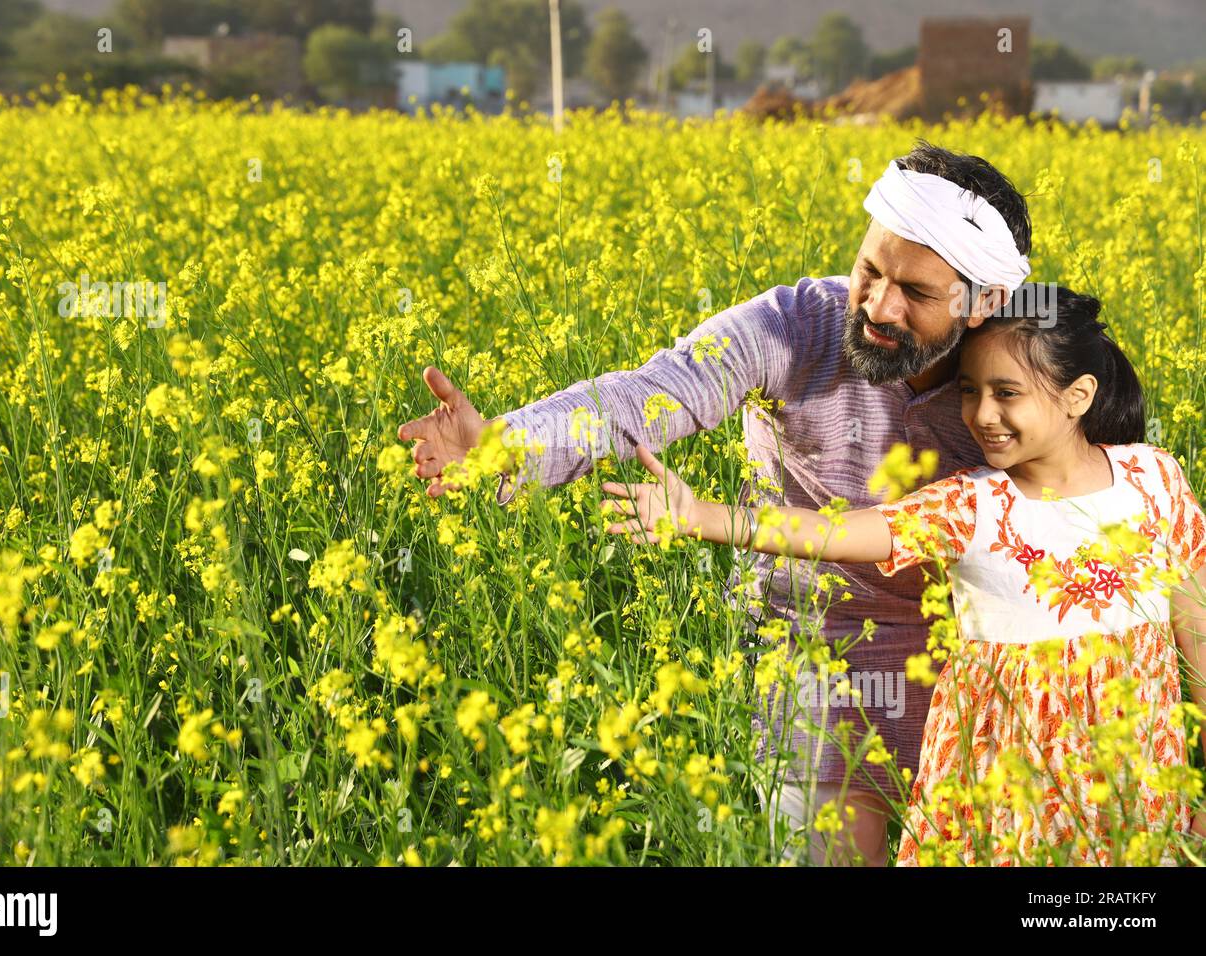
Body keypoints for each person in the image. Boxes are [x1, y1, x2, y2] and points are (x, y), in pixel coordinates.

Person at [398, 140, 1034, 865]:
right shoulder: (799, 324)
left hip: (977, 668)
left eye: (917, 294)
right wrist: (507, 445)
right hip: (807, 655)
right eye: (870, 270)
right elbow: (652, 393)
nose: (879, 306)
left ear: (985, 304)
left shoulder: (1031, 375)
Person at [600, 284, 1206, 865]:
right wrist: (704, 517)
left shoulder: (1153, 480)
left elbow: (1195, 625)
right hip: (1000, 785)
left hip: (1134, 772)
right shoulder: (973, 504)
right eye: (969, 391)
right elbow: (841, 533)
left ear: (1077, 396)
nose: (982, 414)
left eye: (1007, 393)